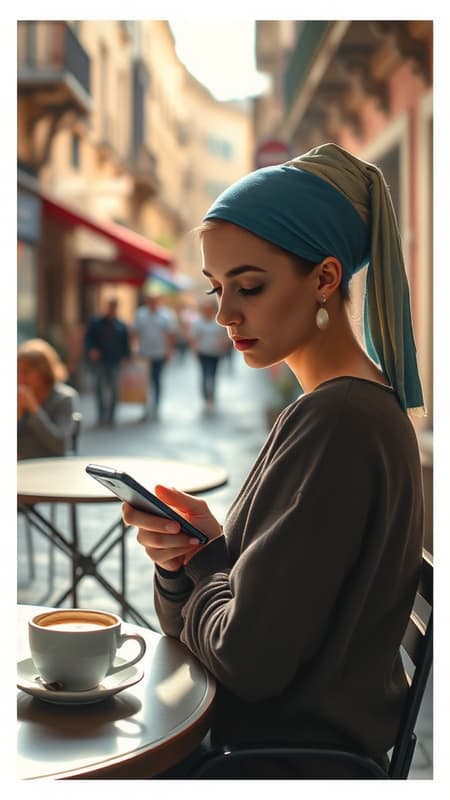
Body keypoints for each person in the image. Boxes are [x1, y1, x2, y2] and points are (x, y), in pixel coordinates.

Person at [122, 143, 425, 778]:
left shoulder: (340, 421)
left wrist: (208, 560)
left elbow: (246, 660)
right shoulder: (331, 410)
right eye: (216, 288)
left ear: (325, 278)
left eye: (250, 286)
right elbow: (212, 626)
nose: (223, 314)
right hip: (257, 742)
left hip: (270, 763)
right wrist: (190, 558)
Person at [17, 339, 80, 459]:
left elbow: (61, 444)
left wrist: (34, 409)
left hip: (51, 465)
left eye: (25, 372)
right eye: (17, 372)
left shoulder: (64, 398)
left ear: (44, 371)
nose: (19, 378)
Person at [84, 296, 131, 426]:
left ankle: (111, 416)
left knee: (114, 389)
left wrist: (126, 356)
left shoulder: (121, 325)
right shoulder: (96, 323)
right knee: (99, 387)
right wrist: (91, 350)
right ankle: (101, 415)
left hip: (115, 360)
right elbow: (88, 339)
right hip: (100, 361)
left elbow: (125, 343)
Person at [133, 291, 177, 420]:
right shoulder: (140, 314)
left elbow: (170, 334)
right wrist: (133, 349)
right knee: (144, 383)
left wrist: (169, 351)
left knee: (157, 381)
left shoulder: (166, 315)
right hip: (144, 353)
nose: (152, 303)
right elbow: (135, 332)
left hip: (159, 353)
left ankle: (156, 407)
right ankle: (145, 408)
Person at [189, 296, 231, 412]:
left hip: (216, 353)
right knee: (205, 375)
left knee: (213, 376)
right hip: (203, 353)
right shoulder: (198, 322)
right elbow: (193, 338)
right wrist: (195, 350)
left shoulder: (218, 322)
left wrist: (224, 346)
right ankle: (206, 398)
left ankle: (212, 398)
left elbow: (226, 337)